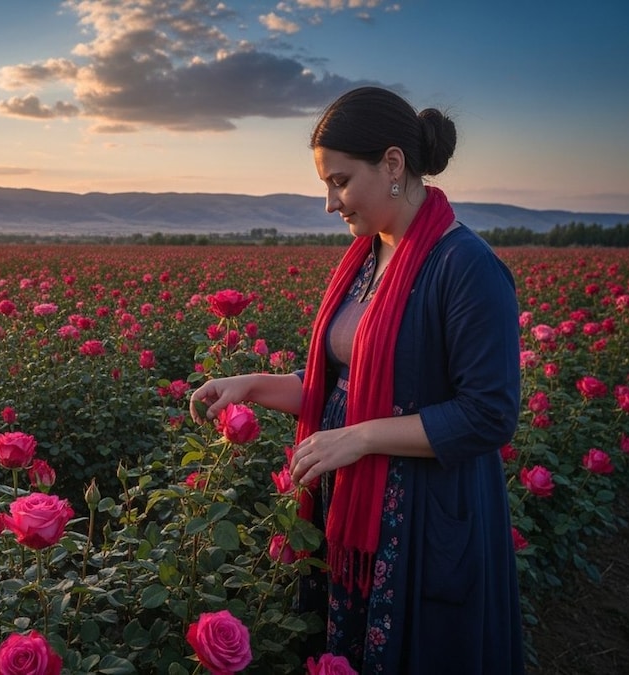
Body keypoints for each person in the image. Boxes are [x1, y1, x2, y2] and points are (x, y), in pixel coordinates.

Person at [189, 86, 524, 674]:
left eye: (339, 181)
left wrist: (364, 437)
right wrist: (251, 383)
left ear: (393, 164)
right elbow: (339, 385)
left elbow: (490, 414)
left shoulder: (465, 267)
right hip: (353, 509)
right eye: (326, 184)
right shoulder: (370, 258)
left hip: (419, 520)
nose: (329, 202)